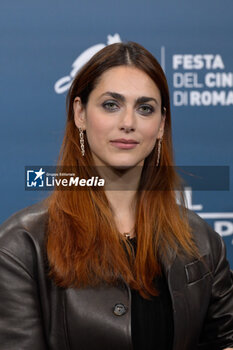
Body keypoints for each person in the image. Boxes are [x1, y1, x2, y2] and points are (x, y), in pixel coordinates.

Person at [0, 42, 233, 350]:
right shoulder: (21, 245)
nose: (128, 123)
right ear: (80, 113)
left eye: (145, 108)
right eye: (111, 105)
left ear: (161, 125)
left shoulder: (201, 240)